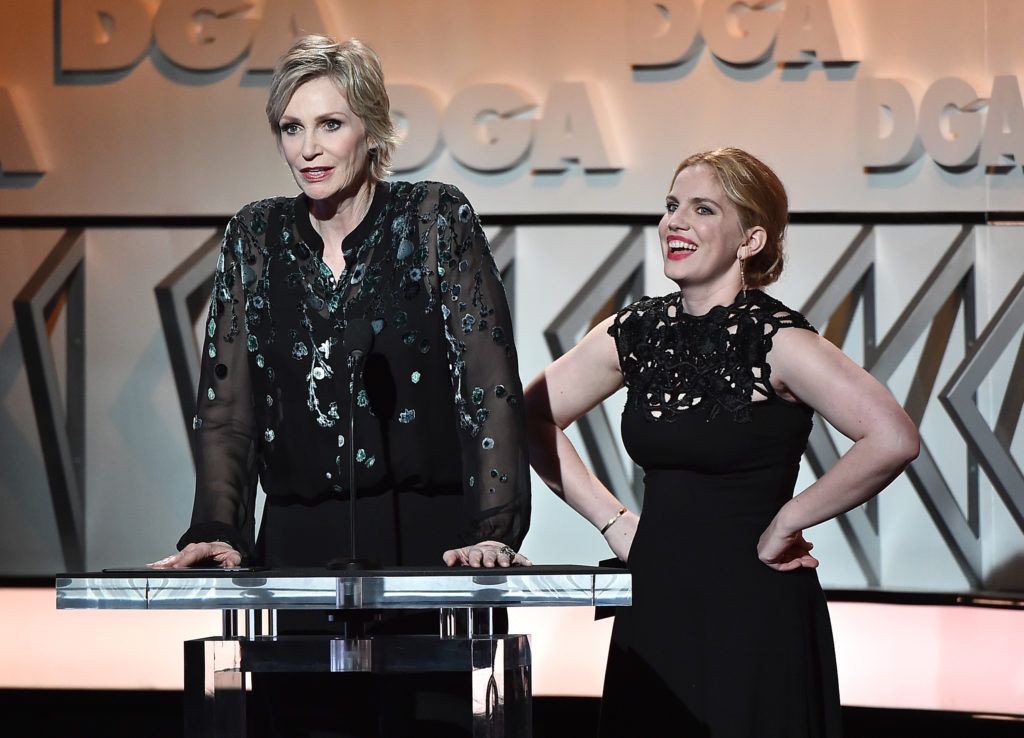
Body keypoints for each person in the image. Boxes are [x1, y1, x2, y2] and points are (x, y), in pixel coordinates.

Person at [149, 34, 530, 736]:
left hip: (430, 543)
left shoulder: (434, 219)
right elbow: (227, 406)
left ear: (372, 129)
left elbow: (489, 384)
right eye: (292, 128)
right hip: (298, 543)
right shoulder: (255, 236)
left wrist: (493, 530)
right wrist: (217, 528)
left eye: (330, 124)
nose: (309, 149)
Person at [524, 147, 920, 737]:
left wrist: (790, 520)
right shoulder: (636, 332)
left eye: (702, 209)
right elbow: (527, 417)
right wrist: (612, 521)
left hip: (754, 605)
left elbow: (892, 437)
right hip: (657, 596)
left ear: (750, 240)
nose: (674, 223)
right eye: (670, 206)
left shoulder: (779, 341)